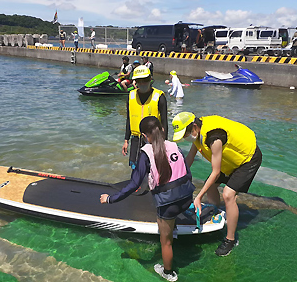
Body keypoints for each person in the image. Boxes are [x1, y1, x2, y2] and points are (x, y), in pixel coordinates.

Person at [101, 116, 195, 282]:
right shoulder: (174, 145)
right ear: (163, 130)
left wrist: (111, 199)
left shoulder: (146, 153)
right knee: (169, 216)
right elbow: (187, 171)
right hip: (187, 197)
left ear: (144, 136)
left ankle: (168, 273)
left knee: (165, 243)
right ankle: (173, 229)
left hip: (169, 204)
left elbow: (134, 184)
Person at [171, 112, 262, 256]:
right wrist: (175, 179)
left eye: (185, 134)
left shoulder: (214, 138)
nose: (184, 138)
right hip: (229, 160)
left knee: (228, 194)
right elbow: (189, 158)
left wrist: (198, 197)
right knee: (212, 186)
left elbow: (215, 172)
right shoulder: (197, 133)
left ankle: (230, 240)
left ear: (194, 126)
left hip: (247, 159)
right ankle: (214, 212)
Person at [122, 65, 168, 169]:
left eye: (145, 80)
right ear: (135, 82)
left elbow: (164, 122)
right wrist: (126, 140)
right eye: (139, 80)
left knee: (152, 168)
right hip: (136, 139)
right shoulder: (131, 96)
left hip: (153, 140)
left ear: (150, 79)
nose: (142, 83)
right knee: (135, 167)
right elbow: (129, 119)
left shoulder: (159, 97)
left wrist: (164, 143)